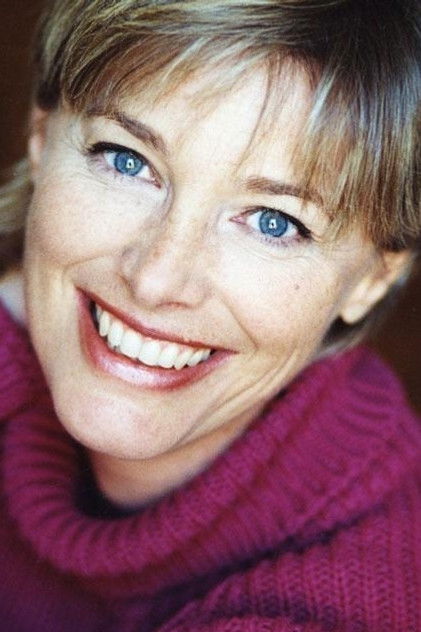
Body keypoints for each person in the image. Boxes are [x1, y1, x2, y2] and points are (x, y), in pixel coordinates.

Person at [0, 0, 420, 630]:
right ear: (41, 141)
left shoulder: (352, 598)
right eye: (127, 161)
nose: (155, 280)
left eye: (274, 222)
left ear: (372, 281)